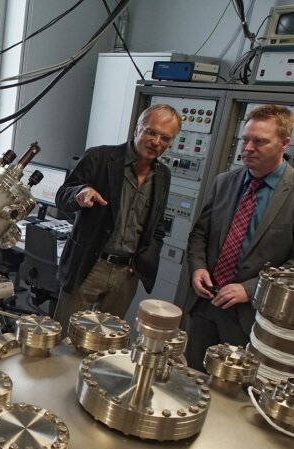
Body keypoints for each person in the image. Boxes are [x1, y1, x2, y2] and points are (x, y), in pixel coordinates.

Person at [54, 103, 181, 335]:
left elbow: (157, 227)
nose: (156, 142)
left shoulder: (163, 175)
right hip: (90, 265)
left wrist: (143, 262)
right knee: (66, 338)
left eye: (165, 138)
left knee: (106, 342)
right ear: (137, 129)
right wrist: (79, 194)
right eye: (151, 132)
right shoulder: (100, 157)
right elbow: (63, 196)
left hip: (127, 273)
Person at [185, 104, 294, 371]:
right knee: (190, 379)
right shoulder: (225, 182)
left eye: (260, 141)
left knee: (232, 396)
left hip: (251, 316)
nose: (247, 148)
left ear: (284, 144)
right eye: (244, 139)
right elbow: (200, 233)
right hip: (206, 306)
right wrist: (198, 267)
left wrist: (249, 289)